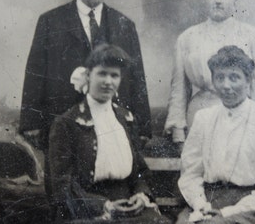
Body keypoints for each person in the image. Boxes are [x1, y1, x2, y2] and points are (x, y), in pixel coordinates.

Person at [19, 0, 151, 152]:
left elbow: (136, 77)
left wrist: (143, 128)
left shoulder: (124, 25)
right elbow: (35, 74)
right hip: (61, 125)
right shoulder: (51, 22)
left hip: (112, 126)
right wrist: (30, 123)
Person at [48, 44, 168, 223]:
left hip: (128, 205)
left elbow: (139, 171)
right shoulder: (67, 123)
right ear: (88, 75)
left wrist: (141, 195)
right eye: (102, 74)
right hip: (87, 210)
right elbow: (62, 185)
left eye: (114, 75)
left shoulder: (126, 119)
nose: (108, 82)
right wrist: (103, 205)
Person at [177, 46, 255, 223]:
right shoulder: (204, 119)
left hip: (254, 207)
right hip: (209, 200)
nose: (226, 86)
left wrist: (229, 212)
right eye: (219, 77)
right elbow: (191, 173)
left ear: (248, 80)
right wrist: (199, 203)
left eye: (234, 77)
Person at [165, 0, 255, 143]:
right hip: (200, 116)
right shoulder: (187, 38)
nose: (218, 0)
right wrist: (178, 130)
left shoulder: (253, 36)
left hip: (242, 116)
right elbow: (179, 88)